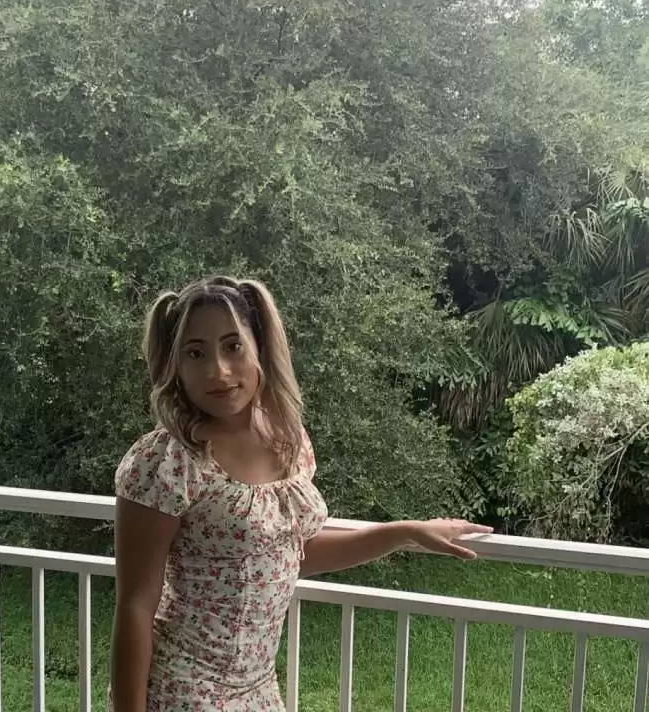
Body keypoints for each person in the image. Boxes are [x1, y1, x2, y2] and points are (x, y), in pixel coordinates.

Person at [109, 276, 491, 711]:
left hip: (258, 690)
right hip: (183, 688)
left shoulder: (288, 442)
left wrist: (405, 532)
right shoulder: (167, 460)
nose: (218, 370)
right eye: (195, 353)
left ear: (260, 348)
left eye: (233, 346)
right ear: (175, 365)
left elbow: (289, 555)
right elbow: (136, 607)